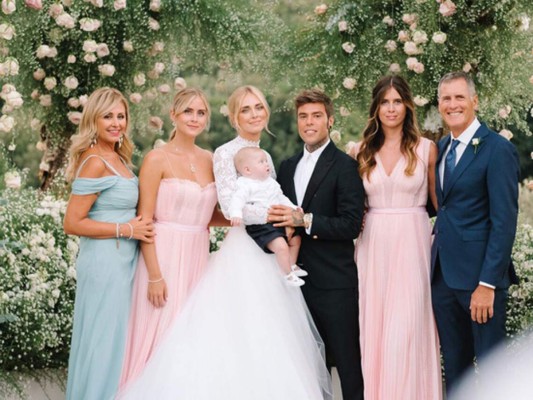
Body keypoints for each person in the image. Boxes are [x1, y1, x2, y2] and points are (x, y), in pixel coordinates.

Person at [117, 85, 332, 400]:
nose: (254, 114)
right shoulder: (224, 154)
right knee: (228, 330)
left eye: (258, 107)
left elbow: (219, 210)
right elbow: (233, 208)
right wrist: (275, 215)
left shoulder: (262, 156)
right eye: (245, 109)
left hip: (263, 250)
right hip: (240, 251)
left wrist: (287, 218)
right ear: (233, 117)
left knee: (267, 334)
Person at [119, 88, 223, 388]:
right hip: (162, 258)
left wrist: (255, 219)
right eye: (188, 111)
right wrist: (154, 276)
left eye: (201, 112)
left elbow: (207, 214)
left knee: (189, 338)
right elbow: (145, 220)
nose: (194, 118)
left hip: (197, 259)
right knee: (159, 335)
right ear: (173, 115)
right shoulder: (157, 158)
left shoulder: (211, 159)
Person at [348, 75, 442, 399]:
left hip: (413, 244)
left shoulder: (426, 149)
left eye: (397, 101)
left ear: (407, 106)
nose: (391, 108)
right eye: (385, 102)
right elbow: (352, 208)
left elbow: (441, 207)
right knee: (374, 328)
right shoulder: (360, 151)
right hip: (373, 247)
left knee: (408, 328)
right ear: (376, 107)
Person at [269, 89, 365, 400]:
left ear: (330, 120)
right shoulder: (287, 166)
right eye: (303, 116)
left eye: (316, 116)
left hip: (335, 284)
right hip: (294, 286)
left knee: (348, 366)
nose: (309, 122)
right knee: (307, 369)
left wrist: (305, 220)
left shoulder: (345, 166)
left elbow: (351, 224)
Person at [431, 71, 520, 397]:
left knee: (492, 373)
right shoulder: (441, 148)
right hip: (443, 279)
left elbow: (504, 223)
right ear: (439, 104)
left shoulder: (497, 149)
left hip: (480, 284)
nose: (452, 104)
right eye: (446, 98)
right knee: (456, 372)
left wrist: (487, 284)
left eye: (459, 97)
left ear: (475, 101)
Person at [63, 87, 154, 400]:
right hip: (104, 263)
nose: (116, 123)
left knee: (118, 341)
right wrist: (126, 229)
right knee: (103, 342)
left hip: (124, 261)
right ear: (94, 120)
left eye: (121, 116)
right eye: (108, 117)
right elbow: (72, 222)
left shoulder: (119, 158)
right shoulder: (94, 161)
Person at [230, 146, 306, 286]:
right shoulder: (245, 184)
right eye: (261, 162)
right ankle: (287, 274)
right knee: (281, 247)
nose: (267, 164)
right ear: (247, 170)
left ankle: (292, 265)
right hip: (261, 226)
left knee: (296, 239)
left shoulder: (271, 182)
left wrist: (294, 208)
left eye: (266, 161)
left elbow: (281, 198)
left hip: (276, 222)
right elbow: (237, 199)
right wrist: (236, 213)